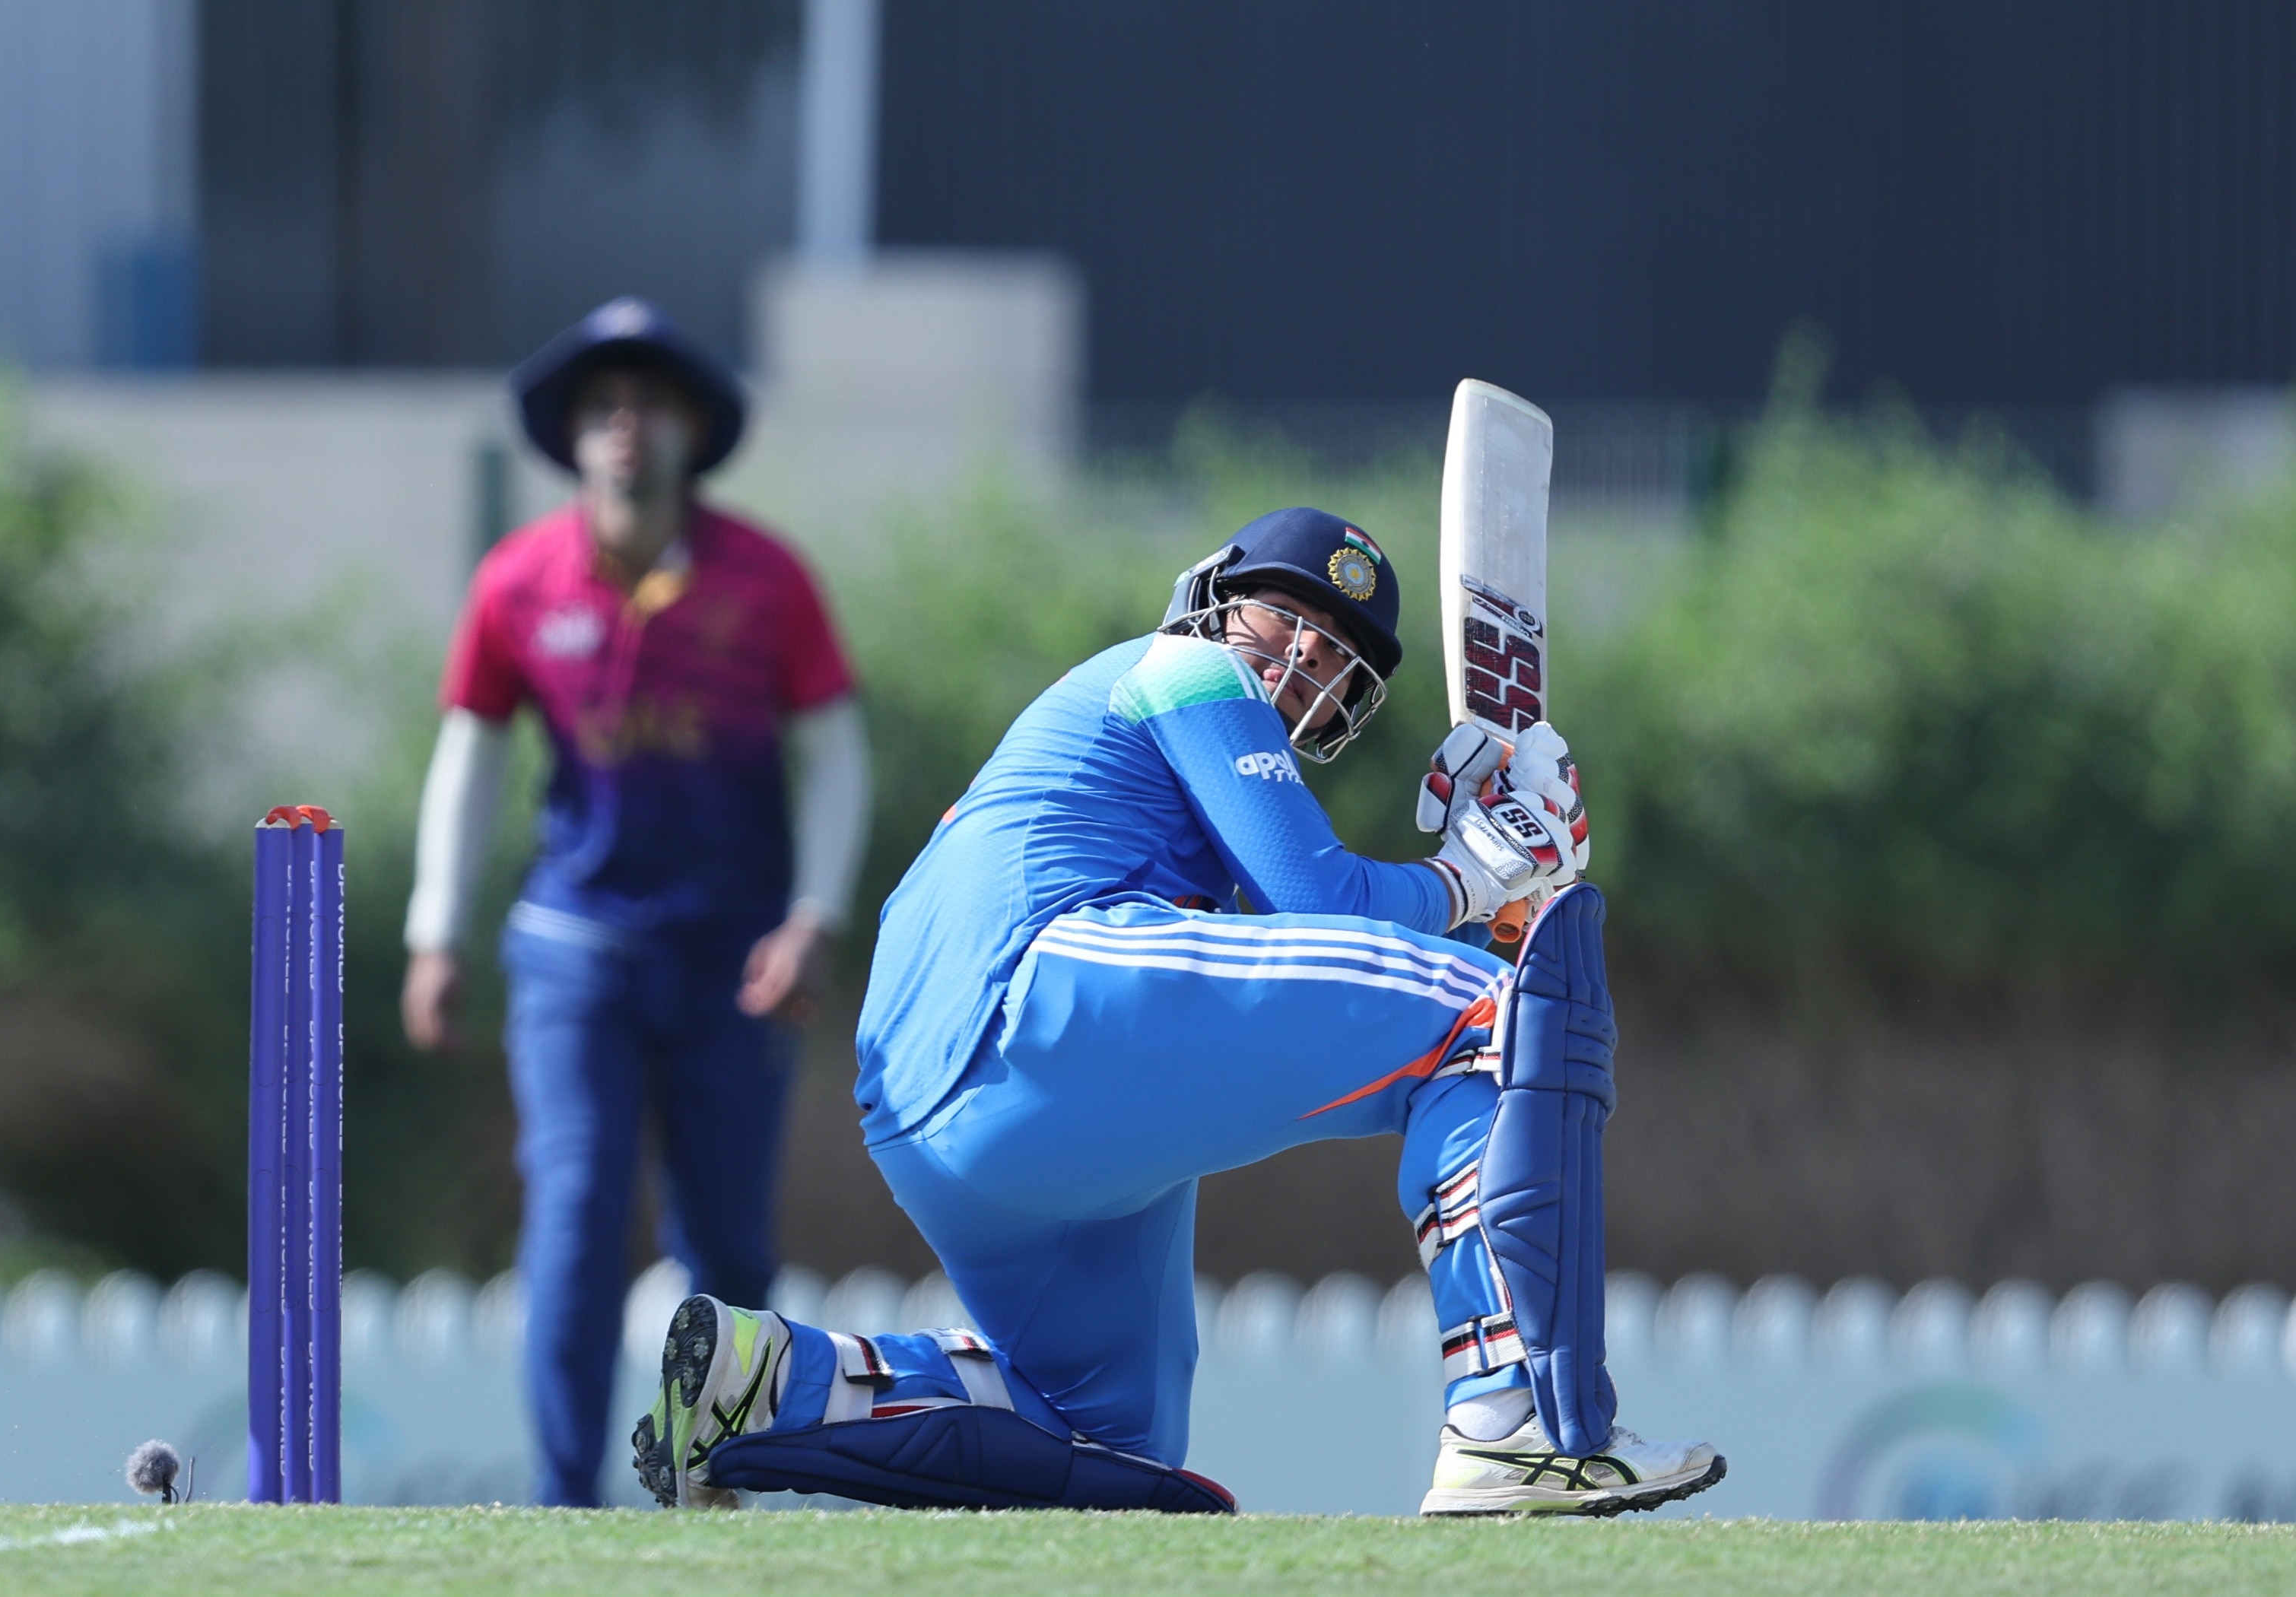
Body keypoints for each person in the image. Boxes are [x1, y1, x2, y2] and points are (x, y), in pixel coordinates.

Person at [630, 507, 1723, 1516]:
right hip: (1033, 988)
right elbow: (1324, 904)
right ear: (1214, 597)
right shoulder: (1184, 666)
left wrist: (1496, 880)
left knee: (1104, 1446)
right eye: (1284, 612)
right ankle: (1510, 1418)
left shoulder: (1181, 761)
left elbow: (1305, 957)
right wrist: (1482, 868)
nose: (1301, 653)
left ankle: (768, 1380)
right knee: (1496, 1018)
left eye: (1332, 648)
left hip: (937, 1115)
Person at [402, 297, 869, 1508]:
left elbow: (837, 754)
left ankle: (713, 1488)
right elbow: (471, 754)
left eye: (649, 405)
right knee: (574, 1208)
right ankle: (568, 1508)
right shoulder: (517, 580)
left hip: (734, 956)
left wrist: (812, 918)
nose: (625, 427)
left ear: (692, 432)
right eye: (604, 407)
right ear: (572, 435)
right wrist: (434, 931)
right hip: (574, 949)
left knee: (726, 1249)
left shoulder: (767, 581)